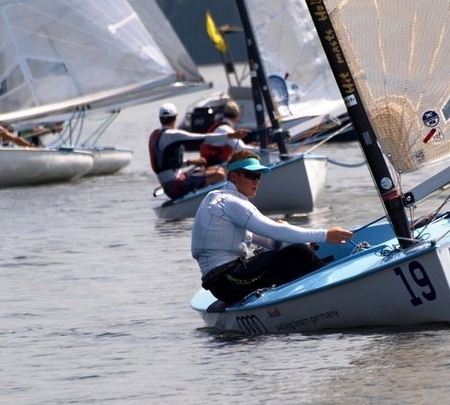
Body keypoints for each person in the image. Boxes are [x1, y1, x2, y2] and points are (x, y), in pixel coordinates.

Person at [191, 149, 354, 305]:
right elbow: (276, 231)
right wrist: (325, 235)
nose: (256, 181)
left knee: (296, 250)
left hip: (223, 282)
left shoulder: (221, 200)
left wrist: (296, 241)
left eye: (258, 176)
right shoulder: (230, 202)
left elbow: (272, 242)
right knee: (299, 252)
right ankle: (339, 292)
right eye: (250, 175)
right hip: (229, 280)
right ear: (234, 176)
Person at [149, 102, 249, 200]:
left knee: (218, 171)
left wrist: (190, 162)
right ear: (175, 118)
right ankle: (213, 201)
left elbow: (166, 165)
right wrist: (232, 135)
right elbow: (203, 138)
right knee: (219, 174)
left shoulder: (155, 136)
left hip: (169, 186)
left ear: (160, 119)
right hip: (175, 186)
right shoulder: (171, 134)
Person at [199, 100, 258, 166]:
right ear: (237, 116)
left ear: (224, 114)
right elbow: (241, 148)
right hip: (216, 166)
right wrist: (261, 149)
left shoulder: (218, 127)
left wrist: (251, 146)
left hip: (210, 164)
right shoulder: (226, 130)